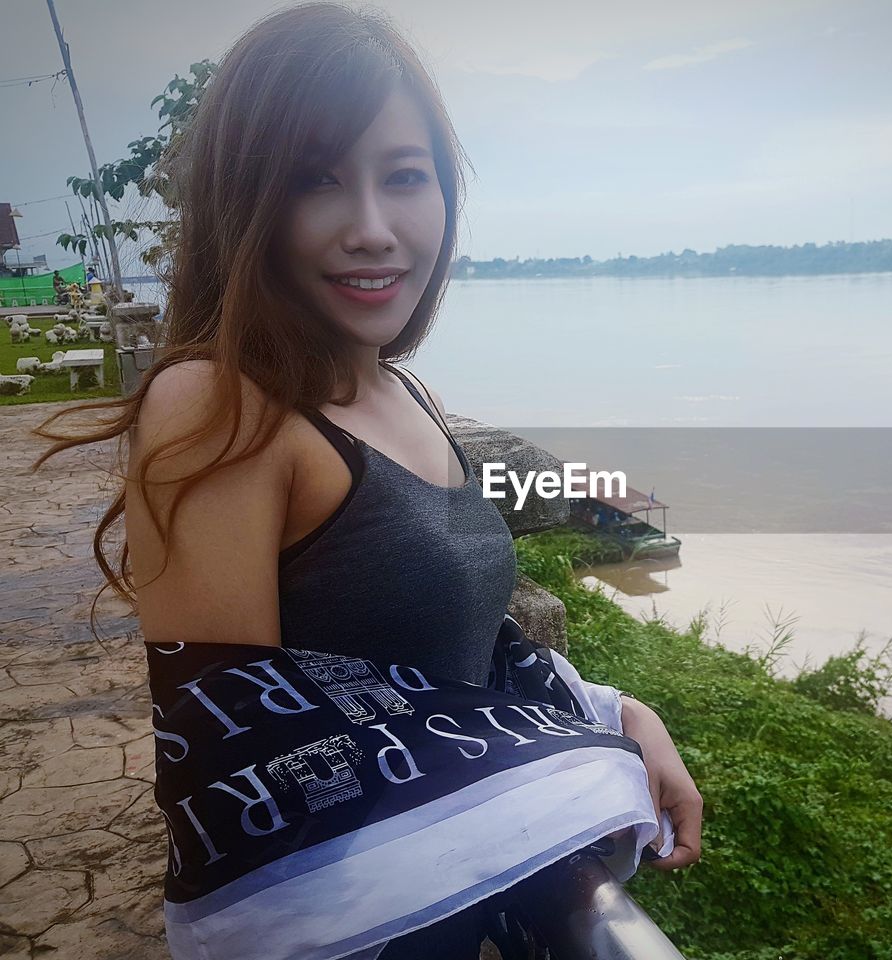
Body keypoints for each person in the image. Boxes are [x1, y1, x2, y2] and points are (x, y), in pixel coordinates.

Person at [29, 4, 701, 958]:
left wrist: (613, 715)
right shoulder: (218, 405)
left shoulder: (401, 390)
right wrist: (567, 783)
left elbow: (465, 660)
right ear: (245, 204)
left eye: (405, 177)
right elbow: (229, 753)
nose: (373, 229)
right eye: (317, 182)